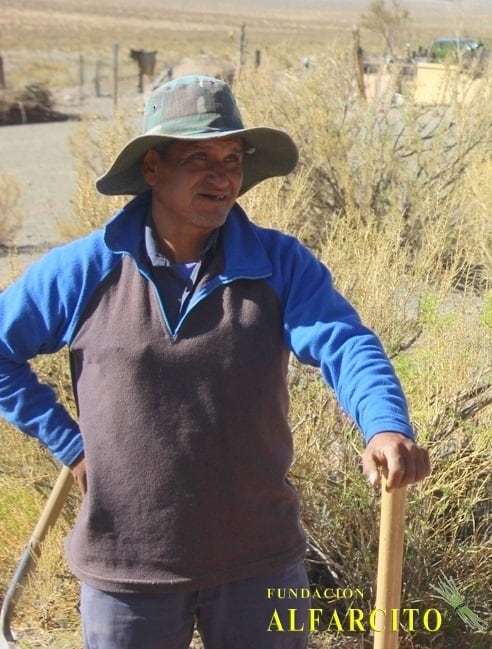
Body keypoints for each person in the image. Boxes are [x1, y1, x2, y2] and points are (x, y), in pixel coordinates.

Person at [0, 75, 430, 649]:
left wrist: (385, 425)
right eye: (198, 157)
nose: (222, 175)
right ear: (152, 167)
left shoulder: (278, 263)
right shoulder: (87, 268)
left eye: (231, 158)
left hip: (260, 558)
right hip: (128, 565)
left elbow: (344, 341)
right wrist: (72, 447)